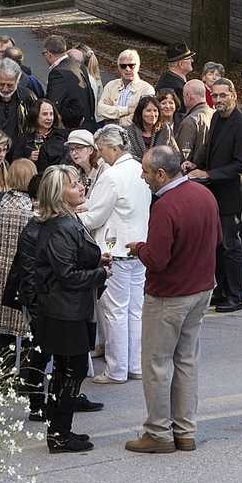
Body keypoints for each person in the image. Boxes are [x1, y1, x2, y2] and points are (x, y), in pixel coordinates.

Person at [125, 146, 221, 453]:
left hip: (169, 295)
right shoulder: (205, 195)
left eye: (146, 171)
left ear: (161, 174)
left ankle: (158, 432)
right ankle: (184, 430)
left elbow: (157, 260)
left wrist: (139, 248)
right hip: (201, 289)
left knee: (156, 363)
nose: (143, 176)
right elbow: (218, 239)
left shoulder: (165, 206)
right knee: (186, 360)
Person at [28, 165, 108, 452]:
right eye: (74, 185)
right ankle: (60, 433)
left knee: (68, 369)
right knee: (72, 370)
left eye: (79, 183)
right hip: (64, 311)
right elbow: (68, 275)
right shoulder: (60, 227)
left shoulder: (68, 221)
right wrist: (99, 274)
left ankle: (60, 430)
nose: (81, 187)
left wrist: (97, 265)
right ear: (59, 193)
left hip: (71, 308)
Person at [81, 125, 151, 385]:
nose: (100, 156)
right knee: (134, 310)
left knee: (114, 311)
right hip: (138, 246)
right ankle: (134, 364)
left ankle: (117, 368)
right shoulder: (138, 169)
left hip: (114, 248)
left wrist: (69, 216)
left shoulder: (111, 175)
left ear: (112, 147)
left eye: (101, 150)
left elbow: (94, 215)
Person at [188, 78, 242, 314]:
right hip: (213, 192)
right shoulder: (216, 117)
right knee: (217, 245)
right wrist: (194, 163)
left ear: (234, 96)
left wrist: (207, 173)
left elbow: (240, 165)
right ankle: (222, 289)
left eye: (222, 96)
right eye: (214, 96)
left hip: (231, 195)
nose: (218, 100)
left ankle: (236, 295)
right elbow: (209, 147)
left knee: (230, 246)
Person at [0, 159, 38, 369]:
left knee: (3, 326)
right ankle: (25, 375)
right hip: (22, 273)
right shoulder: (34, 207)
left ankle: (3, 370)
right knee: (27, 325)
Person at [43, 35, 95, 132]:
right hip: (87, 124)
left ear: (49, 53)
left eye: (44, 53)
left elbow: (53, 105)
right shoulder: (79, 66)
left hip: (71, 129)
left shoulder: (57, 73)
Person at [96, 49, 155, 127]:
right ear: (119, 68)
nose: (128, 69)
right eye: (123, 66)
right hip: (110, 133)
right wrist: (127, 110)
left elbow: (141, 117)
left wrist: (113, 119)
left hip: (134, 135)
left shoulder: (147, 90)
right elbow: (100, 110)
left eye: (131, 65)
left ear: (138, 66)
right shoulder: (111, 85)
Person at [174, 80, 212, 167]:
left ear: (188, 96)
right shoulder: (215, 114)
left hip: (192, 175)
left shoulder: (190, 121)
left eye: (183, 96)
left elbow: (182, 158)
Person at [26, 98, 67, 176]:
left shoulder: (61, 136)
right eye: (45, 114)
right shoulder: (25, 139)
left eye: (51, 114)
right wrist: (29, 160)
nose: (49, 118)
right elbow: (17, 164)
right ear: (35, 115)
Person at [126, 96, 174, 161]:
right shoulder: (130, 131)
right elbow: (129, 155)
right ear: (140, 113)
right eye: (148, 111)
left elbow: (172, 153)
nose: (153, 114)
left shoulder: (164, 129)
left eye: (155, 110)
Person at [65, 129, 101, 193]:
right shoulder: (76, 172)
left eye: (78, 148)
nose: (73, 153)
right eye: (71, 149)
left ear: (90, 150)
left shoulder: (103, 167)